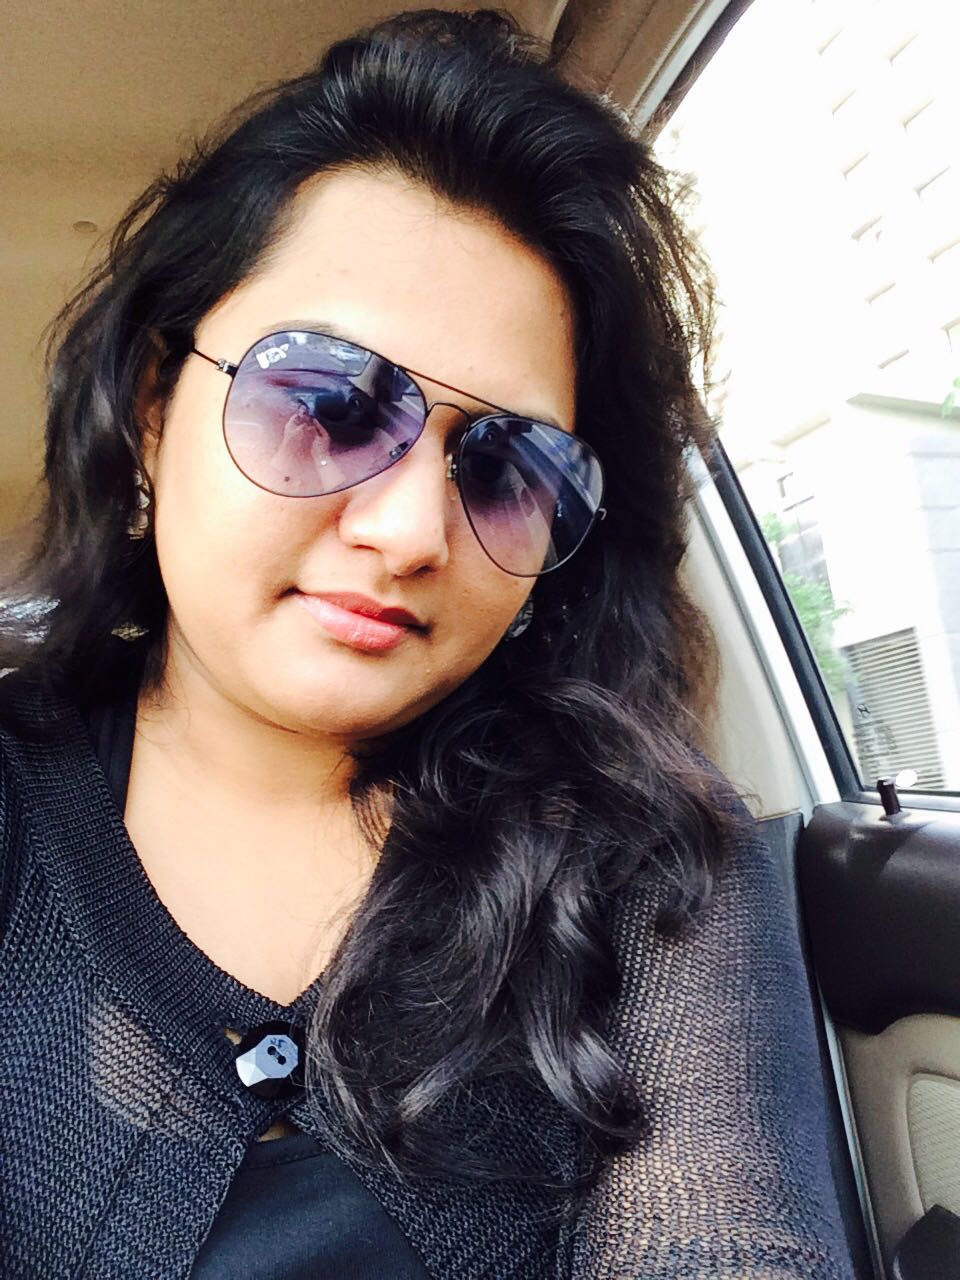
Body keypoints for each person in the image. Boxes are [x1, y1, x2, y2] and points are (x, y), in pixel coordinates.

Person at [0, 9, 856, 1278]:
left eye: (509, 464)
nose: (410, 532)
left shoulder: (645, 850)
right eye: (327, 402)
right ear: (153, 412)